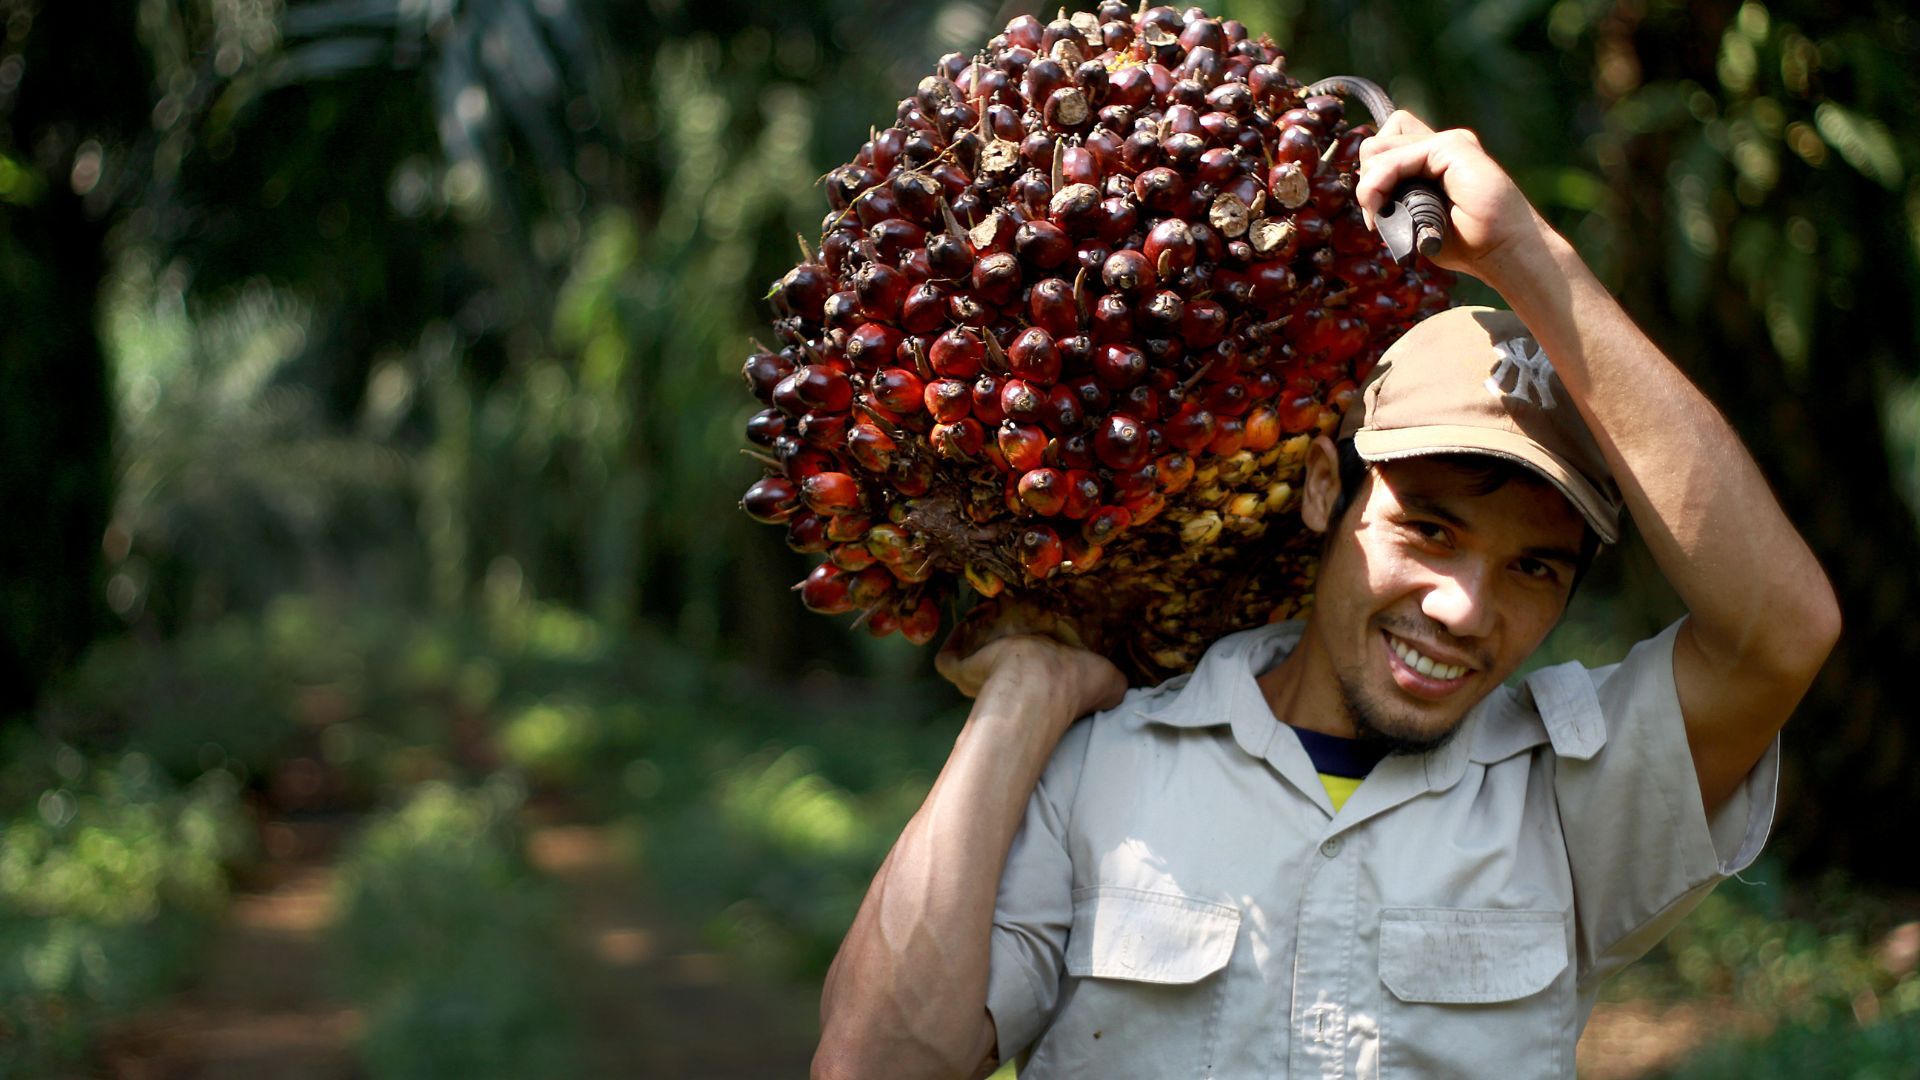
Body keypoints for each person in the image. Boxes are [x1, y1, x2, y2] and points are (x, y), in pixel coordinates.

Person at [810, 109, 1841, 1079]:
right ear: (1321, 490)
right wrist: (1023, 697)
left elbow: (1783, 629)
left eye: (1535, 568)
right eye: (1427, 528)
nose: (1464, 608)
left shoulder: (1576, 800)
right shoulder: (1100, 772)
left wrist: (1522, 251)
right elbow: (873, 1064)